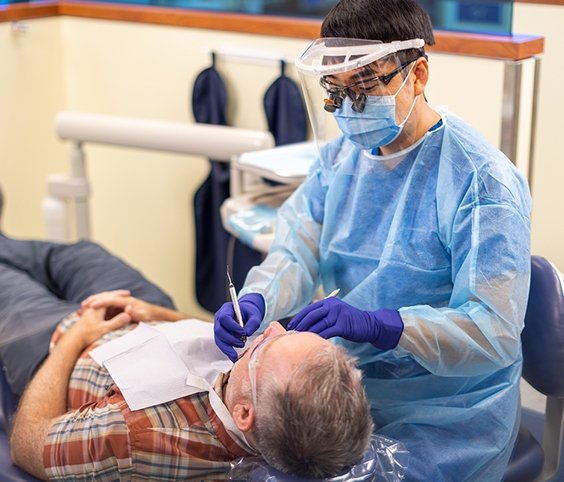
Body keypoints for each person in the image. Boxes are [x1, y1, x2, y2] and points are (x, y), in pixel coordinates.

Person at [213, 0, 532, 480]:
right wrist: (261, 296)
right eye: (335, 93)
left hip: (448, 414)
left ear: (418, 74)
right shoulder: (344, 158)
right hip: (347, 392)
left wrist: (384, 325)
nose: (349, 110)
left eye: (364, 87)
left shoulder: (481, 183)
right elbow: (297, 248)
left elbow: (494, 334)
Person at [0, 233, 372, 480]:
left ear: (244, 414)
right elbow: (225, 358)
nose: (271, 329)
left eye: (267, 345)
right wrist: (160, 315)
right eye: (291, 332)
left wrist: (77, 335)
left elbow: (25, 443)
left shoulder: (133, 435)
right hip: (150, 320)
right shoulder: (268, 400)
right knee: (81, 253)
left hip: (65, 347)